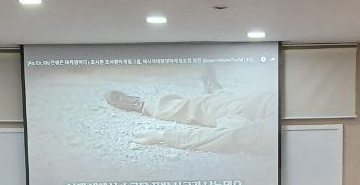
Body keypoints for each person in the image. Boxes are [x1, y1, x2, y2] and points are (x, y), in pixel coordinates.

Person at [106, 65, 276, 153]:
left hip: (251, 125)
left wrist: (164, 135)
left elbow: (220, 138)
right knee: (211, 104)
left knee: (197, 108)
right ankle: (217, 93)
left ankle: (142, 105)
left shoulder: (272, 133)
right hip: (251, 107)